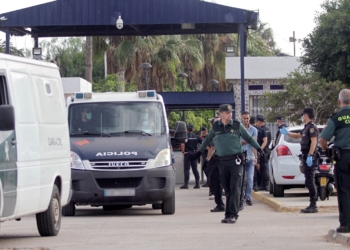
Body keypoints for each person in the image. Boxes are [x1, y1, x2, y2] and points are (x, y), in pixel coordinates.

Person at [188, 104, 265, 224]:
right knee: (227, 188)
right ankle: (228, 213)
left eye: (231, 113)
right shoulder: (216, 127)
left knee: (235, 187)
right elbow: (207, 140)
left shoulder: (236, 125)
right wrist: (199, 153)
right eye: (227, 113)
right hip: (221, 162)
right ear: (221, 114)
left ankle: (233, 214)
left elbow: (249, 139)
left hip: (235, 161)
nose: (230, 115)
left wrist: (260, 150)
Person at [320, 89, 350, 232]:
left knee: (344, 189)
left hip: (343, 157)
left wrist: (326, 151)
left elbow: (323, 139)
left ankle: (345, 224)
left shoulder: (335, 118)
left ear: (339, 102)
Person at [280, 108, 318, 213]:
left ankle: (313, 205)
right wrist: (287, 133)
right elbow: (297, 136)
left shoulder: (312, 128)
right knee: (308, 180)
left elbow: (314, 142)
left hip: (310, 157)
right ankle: (312, 203)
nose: (302, 117)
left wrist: (310, 155)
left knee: (310, 181)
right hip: (305, 157)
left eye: (303, 115)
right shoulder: (306, 128)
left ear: (306, 115)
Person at [241, 111, 258, 206]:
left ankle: (248, 197)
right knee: (242, 178)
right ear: (241, 118)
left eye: (247, 118)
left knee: (250, 178)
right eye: (244, 118)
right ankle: (242, 195)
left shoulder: (254, 130)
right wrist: (248, 140)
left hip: (251, 157)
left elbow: (254, 144)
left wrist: (256, 157)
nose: (246, 120)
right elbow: (238, 143)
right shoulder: (238, 129)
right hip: (241, 157)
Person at [180, 124, 202, 189]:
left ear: (186, 129)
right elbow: (203, 143)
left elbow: (182, 144)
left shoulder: (185, 136)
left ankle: (186, 184)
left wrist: (183, 152)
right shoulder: (196, 136)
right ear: (193, 129)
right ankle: (197, 184)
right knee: (195, 169)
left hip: (188, 153)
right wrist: (198, 150)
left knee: (187, 169)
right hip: (194, 153)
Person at [250, 116, 267, 192]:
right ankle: (265, 184)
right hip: (259, 151)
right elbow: (265, 141)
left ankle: (255, 184)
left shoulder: (249, 130)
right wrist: (260, 149)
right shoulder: (261, 130)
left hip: (251, 151)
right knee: (261, 168)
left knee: (253, 168)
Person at [255, 115, 270, 191]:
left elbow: (265, 141)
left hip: (259, 151)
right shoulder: (266, 130)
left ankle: (258, 185)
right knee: (264, 168)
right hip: (264, 151)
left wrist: (259, 149)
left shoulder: (258, 130)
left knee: (259, 168)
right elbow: (267, 141)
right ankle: (265, 185)